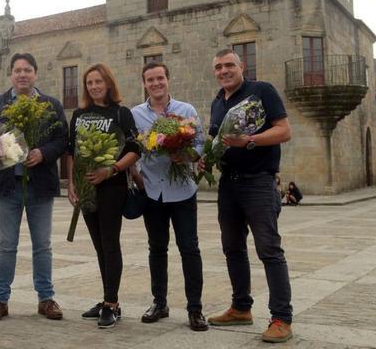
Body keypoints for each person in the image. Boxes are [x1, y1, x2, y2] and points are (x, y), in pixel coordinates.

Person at [206, 49, 294, 343]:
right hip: (228, 185)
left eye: (229, 65)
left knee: (269, 250)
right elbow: (215, 142)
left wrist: (250, 141)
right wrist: (204, 158)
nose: (224, 71)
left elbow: (284, 131)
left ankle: (281, 318)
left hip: (258, 182)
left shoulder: (261, 91)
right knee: (232, 248)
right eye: (218, 67)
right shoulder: (217, 103)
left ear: (241, 66)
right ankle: (241, 308)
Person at [0, 52, 68, 323]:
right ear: (10, 74)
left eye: (27, 70)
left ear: (35, 73)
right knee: (6, 246)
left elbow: (62, 140)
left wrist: (43, 153)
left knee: (42, 245)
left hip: (40, 186)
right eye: (18, 70)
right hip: (7, 186)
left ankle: (45, 298)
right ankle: (0, 300)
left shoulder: (51, 104)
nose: (22, 74)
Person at [131, 61, 208, 332]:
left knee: (189, 249)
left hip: (183, 190)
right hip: (153, 192)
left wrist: (185, 155)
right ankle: (160, 303)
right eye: (150, 80)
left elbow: (199, 144)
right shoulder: (136, 114)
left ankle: (195, 309)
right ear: (144, 83)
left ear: (168, 80)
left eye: (160, 78)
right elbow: (132, 150)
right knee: (157, 249)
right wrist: (137, 178)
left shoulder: (186, 110)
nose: (156, 83)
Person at [67, 63, 140, 329]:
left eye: (98, 82)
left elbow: (134, 149)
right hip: (87, 188)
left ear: (108, 83)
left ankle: (112, 304)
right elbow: (72, 151)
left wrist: (111, 170)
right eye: (89, 83)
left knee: (110, 243)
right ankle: (108, 298)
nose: (94, 87)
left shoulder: (121, 113)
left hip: (112, 187)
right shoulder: (79, 114)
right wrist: (72, 185)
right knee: (99, 245)